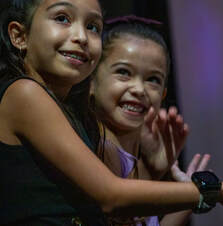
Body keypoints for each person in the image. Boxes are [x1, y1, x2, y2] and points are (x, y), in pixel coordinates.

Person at [0, 0, 223, 226]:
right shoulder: (24, 93)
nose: (81, 37)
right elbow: (112, 196)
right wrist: (221, 191)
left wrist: (152, 172)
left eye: (93, 27)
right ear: (19, 36)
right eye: (62, 19)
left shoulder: (67, 117)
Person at [90, 17, 211, 225]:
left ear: (163, 94)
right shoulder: (98, 149)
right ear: (91, 81)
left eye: (152, 79)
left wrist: (190, 199)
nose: (139, 89)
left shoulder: (133, 159)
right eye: (123, 73)